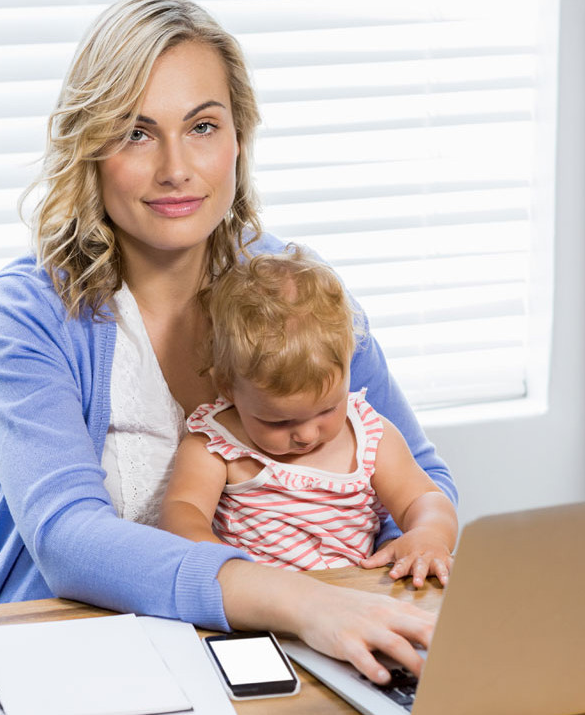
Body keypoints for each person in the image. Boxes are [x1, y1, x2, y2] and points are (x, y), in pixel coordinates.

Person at [0, 0, 458, 685]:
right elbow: (67, 540)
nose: (176, 168)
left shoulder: (298, 293)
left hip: (291, 656)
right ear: (90, 148)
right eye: (136, 133)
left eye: (202, 126)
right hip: (74, 658)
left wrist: (378, 576)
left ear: (238, 138)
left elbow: (423, 482)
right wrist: (300, 600)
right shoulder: (28, 311)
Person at [159, 249, 458, 587]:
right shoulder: (216, 445)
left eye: (328, 409)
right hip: (260, 603)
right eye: (279, 422)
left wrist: (429, 533)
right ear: (228, 388)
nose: (306, 434)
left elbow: (424, 498)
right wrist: (226, 568)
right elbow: (182, 513)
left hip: (357, 600)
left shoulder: (370, 436)